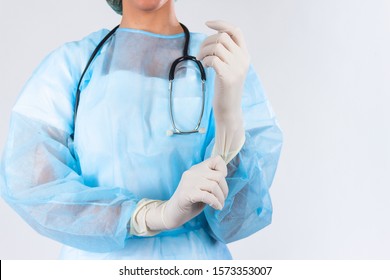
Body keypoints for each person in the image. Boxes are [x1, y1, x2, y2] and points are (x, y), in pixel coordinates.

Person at [0, 0, 283, 259]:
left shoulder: (218, 62)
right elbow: (34, 187)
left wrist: (229, 115)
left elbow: (237, 217)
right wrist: (148, 215)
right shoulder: (72, 66)